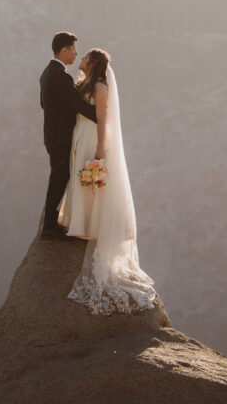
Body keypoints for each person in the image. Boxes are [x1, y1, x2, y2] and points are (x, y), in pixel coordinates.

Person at [59, 48, 156, 315]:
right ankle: (81, 222)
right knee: (82, 182)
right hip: (81, 134)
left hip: (93, 137)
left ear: (93, 63)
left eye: (84, 57)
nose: (80, 59)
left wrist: (100, 148)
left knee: (90, 185)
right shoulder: (85, 83)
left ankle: (91, 224)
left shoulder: (100, 87)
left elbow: (103, 118)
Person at [39, 32, 97, 239]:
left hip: (52, 134)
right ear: (63, 50)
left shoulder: (47, 73)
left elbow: (44, 104)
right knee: (59, 177)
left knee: (59, 176)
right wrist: (101, 118)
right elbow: (77, 104)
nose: (75, 54)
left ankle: (51, 222)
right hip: (60, 137)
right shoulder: (61, 76)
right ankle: (49, 226)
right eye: (73, 50)